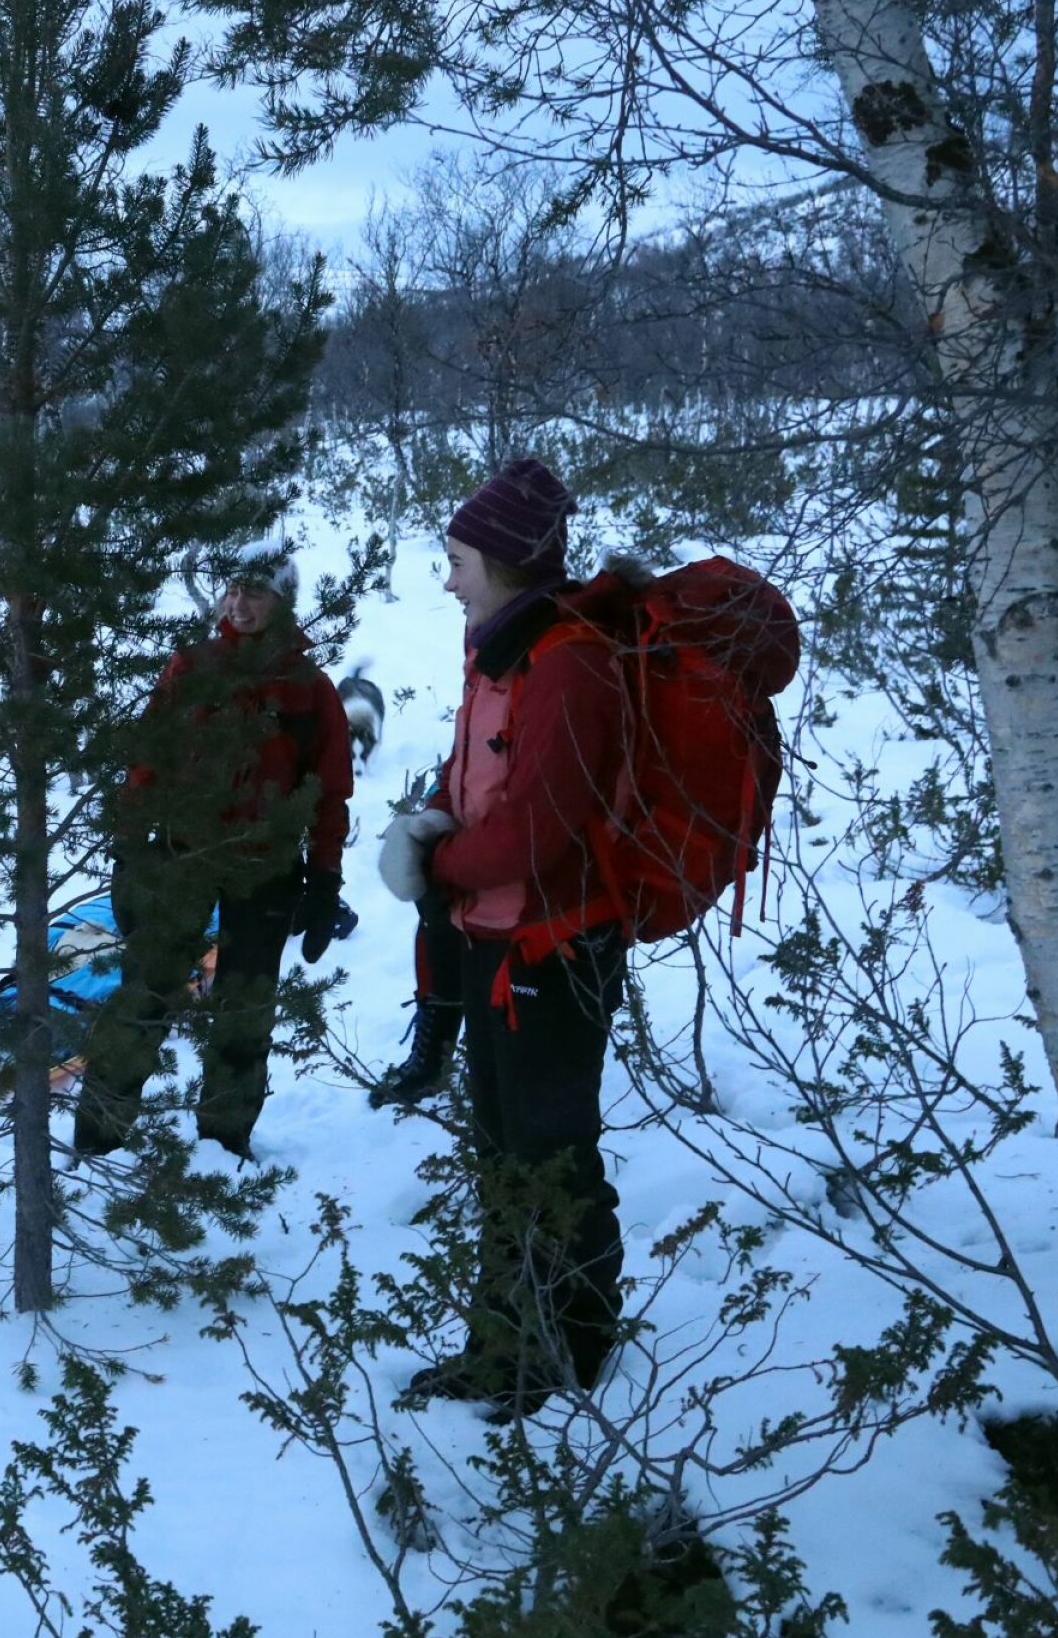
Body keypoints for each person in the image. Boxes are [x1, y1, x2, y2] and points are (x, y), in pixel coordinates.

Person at [387, 457, 633, 1419]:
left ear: (504, 560)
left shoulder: (568, 662)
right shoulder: (498, 648)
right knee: (502, 1152)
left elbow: (543, 824)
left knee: (550, 1150)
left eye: (457, 558)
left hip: (556, 945)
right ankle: (505, 1341)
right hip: (496, 936)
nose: (447, 578)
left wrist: (437, 866)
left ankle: (567, 1352)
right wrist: (431, 825)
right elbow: (485, 787)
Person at [73, 539, 352, 1162]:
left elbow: (329, 795)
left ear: (284, 601)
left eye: (256, 590)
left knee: (245, 1010)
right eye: (233, 588)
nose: (240, 601)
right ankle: (97, 1139)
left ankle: (225, 1145)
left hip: (267, 868)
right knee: (144, 995)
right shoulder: (192, 668)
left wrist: (325, 879)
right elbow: (149, 760)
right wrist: (128, 847)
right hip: (182, 857)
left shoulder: (309, 689)